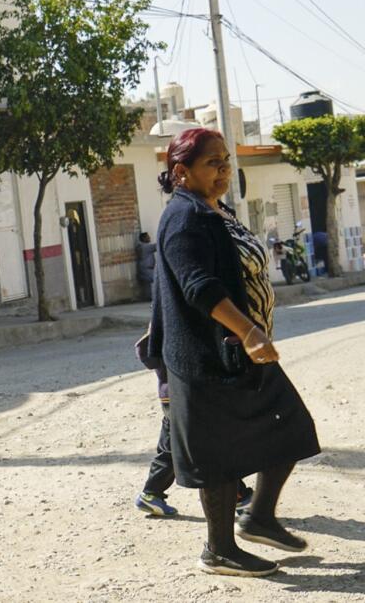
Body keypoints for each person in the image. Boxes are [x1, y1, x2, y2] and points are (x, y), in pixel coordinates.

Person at [147, 128, 320, 577]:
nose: (224, 170)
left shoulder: (213, 208)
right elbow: (199, 287)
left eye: (226, 161)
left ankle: (259, 516)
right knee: (217, 456)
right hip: (206, 358)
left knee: (292, 425)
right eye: (213, 163)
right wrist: (249, 332)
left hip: (236, 352)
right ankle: (219, 549)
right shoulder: (184, 218)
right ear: (181, 172)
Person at [134, 330, 253, 518]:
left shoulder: (161, 322)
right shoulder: (175, 321)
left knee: (173, 446)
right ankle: (239, 495)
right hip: (184, 395)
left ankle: (151, 493)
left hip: (171, 396)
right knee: (210, 442)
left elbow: (146, 352)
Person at [135, 232, 155, 301]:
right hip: (147, 270)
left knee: (148, 286)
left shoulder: (140, 246)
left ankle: (149, 297)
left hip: (143, 270)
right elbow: (158, 246)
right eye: (147, 237)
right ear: (143, 238)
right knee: (159, 279)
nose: (149, 238)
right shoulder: (146, 247)